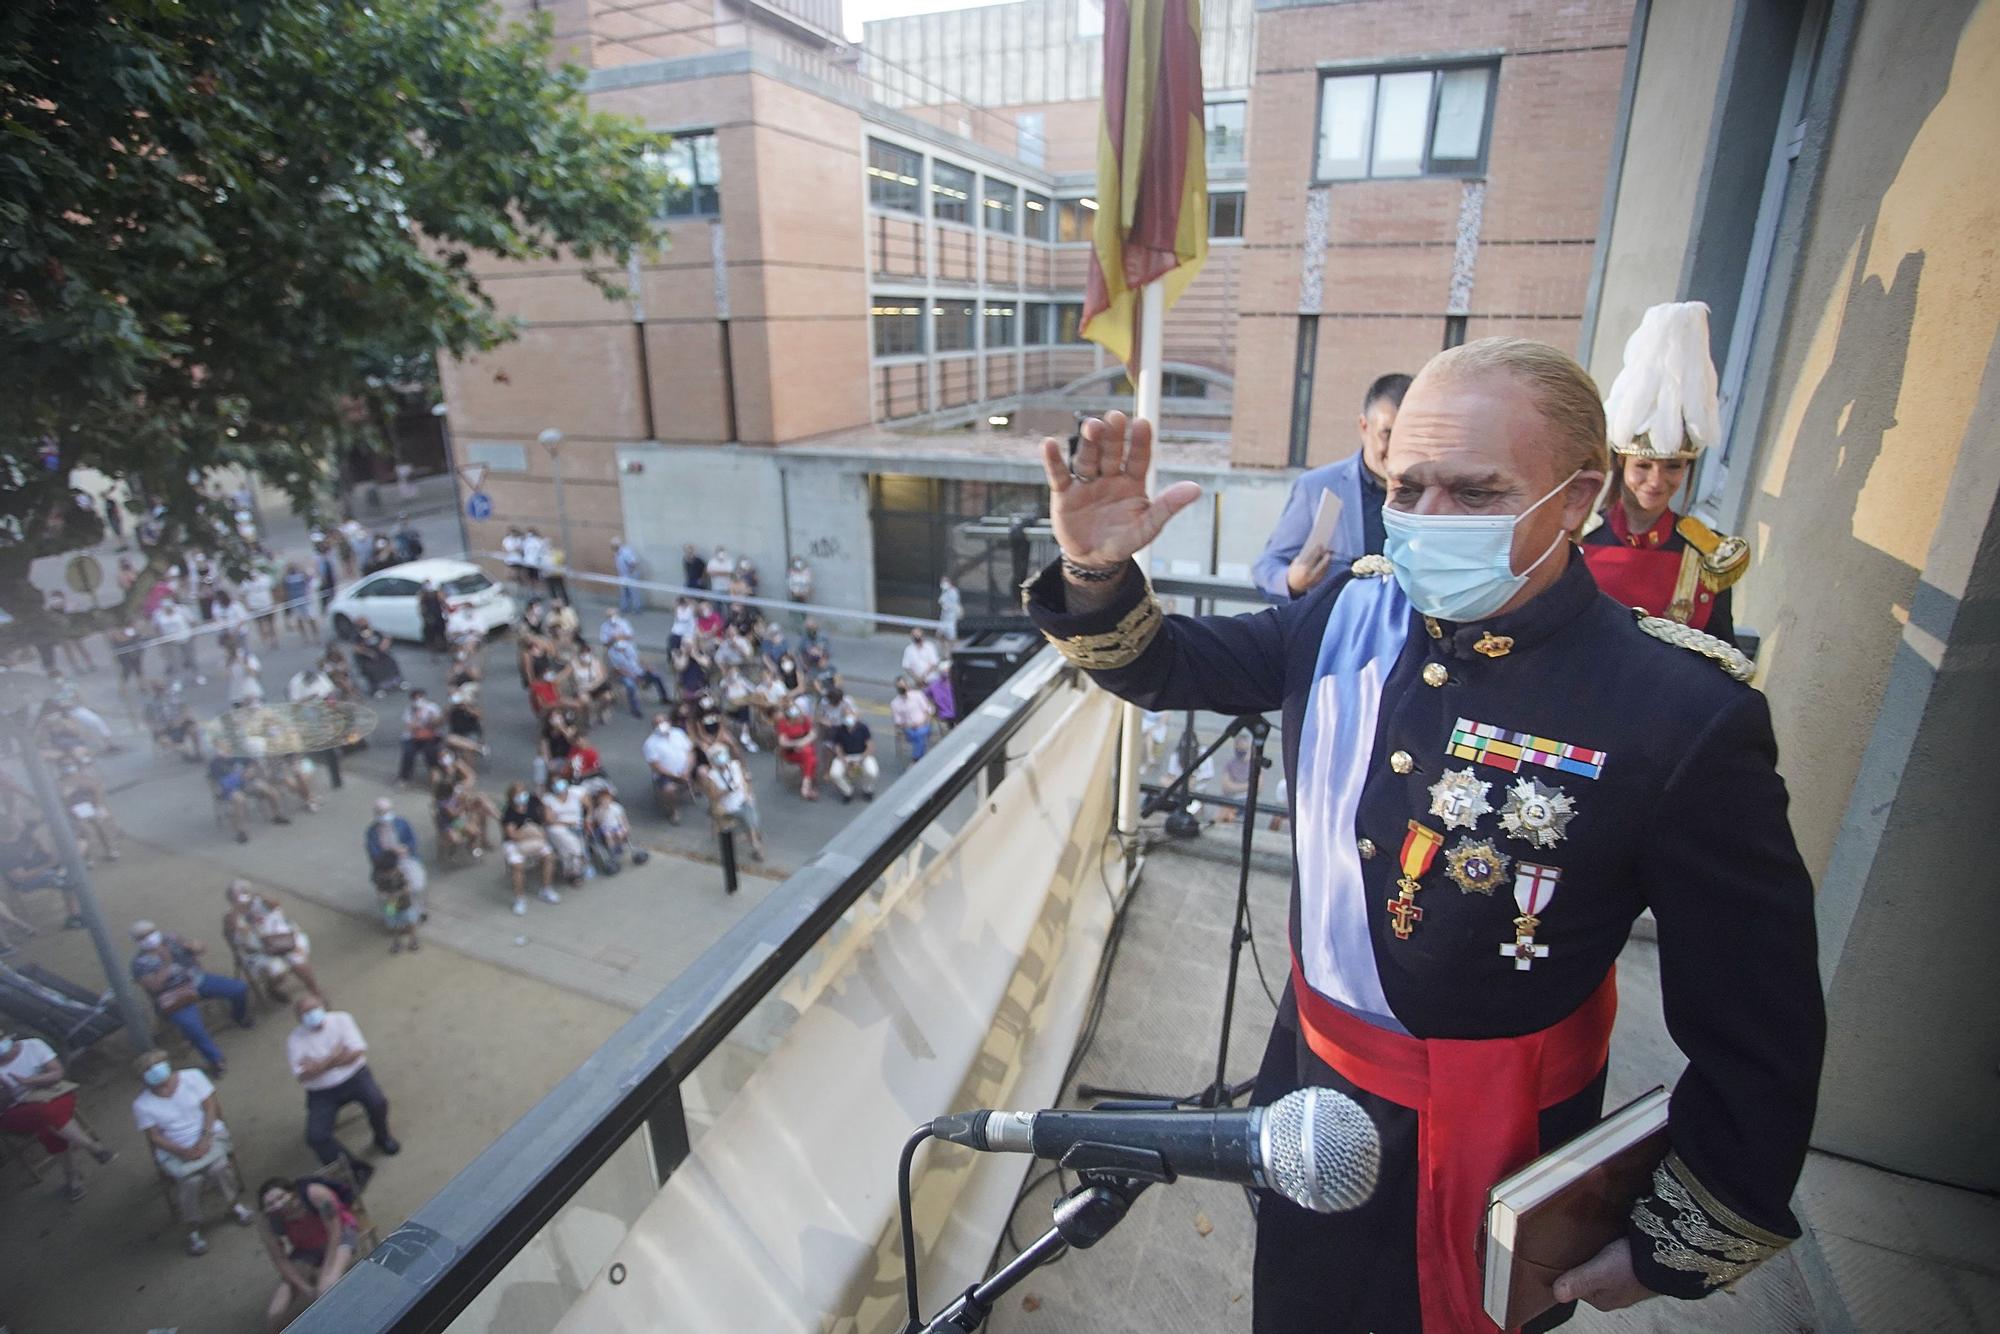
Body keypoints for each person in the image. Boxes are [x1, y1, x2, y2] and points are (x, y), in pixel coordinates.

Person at [1024, 351, 1823, 1331]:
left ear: (1575, 497)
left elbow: (1759, 1020)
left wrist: (1673, 1243)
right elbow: (1166, 664)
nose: (1427, 517)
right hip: (1310, 1086)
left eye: (1475, 491)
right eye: (1405, 488)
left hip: (1499, 1142)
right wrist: (1096, 567)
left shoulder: (1677, 713)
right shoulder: (1345, 610)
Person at [1580, 301, 1747, 641]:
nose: (1656, 482)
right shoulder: (1576, 537)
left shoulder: (1707, 553)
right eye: (1643, 466)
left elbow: (1720, 653)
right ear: (1621, 462)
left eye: (1673, 467)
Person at [1252, 371, 1412, 601]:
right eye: (1387, 434)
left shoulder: (1434, 495)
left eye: (1407, 436)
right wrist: (1293, 580)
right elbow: (1266, 567)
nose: (1398, 448)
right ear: (1364, 427)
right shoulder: (1317, 487)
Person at [131, 1050, 257, 1254]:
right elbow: (155, 1137)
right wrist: (183, 1151)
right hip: (177, 1149)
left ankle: (234, 1205)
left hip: (208, 1135)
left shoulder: (192, 1077)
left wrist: (206, 1138)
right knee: (191, 1181)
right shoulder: (142, 1105)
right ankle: (193, 1227)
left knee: (218, 1168)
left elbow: (210, 1107)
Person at [286, 994, 398, 1182]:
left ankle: (382, 1137)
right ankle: (353, 1170)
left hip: (355, 1077)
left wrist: (318, 1066)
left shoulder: (342, 1019)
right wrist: (334, 1057)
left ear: (323, 1007)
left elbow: (356, 1052)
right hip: (321, 1092)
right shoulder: (294, 1040)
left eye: (314, 1008)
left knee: (377, 1102)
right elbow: (303, 1075)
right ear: (299, 1018)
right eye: (306, 1012)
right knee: (316, 1137)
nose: (312, 1014)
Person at [1, 1029, 117, 1201]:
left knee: (47, 1122)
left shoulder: (32, 1045)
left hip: (51, 1093)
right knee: (44, 1115)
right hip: (18, 1109)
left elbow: (57, 1073)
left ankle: (72, 1178)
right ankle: (93, 1147)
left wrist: (29, 1081)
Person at [131, 919, 253, 1075]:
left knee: (239, 988)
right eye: (143, 936)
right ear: (137, 941)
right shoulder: (138, 964)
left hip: (197, 980)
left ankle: (239, 1016)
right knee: (191, 1027)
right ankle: (216, 1060)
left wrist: (194, 946)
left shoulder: (171, 939)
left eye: (150, 933)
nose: (149, 938)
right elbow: (154, 986)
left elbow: (202, 949)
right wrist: (166, 963)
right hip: (174, 995)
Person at [257, 1175, 360, 1332]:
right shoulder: (268, 1222)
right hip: (305, 1249)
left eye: (281, 1197)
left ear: (292, 1193)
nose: (278, 1204)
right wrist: (305, 1288)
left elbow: (335, 1232)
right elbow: (280, 1260)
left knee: (326, 1288)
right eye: (271, 1204)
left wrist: (326, 1271)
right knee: (275, 1313)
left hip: (339, 1236)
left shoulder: (316, 1194)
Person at [224, 881, 320, 1001]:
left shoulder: (261, 902)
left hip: (283, 941)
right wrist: (237, 911)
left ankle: (316, 993)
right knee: (278, 972)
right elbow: (231, 935)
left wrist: (257, 894)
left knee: (299, 963)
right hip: (259, 952)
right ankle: (272, 988)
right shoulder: (231, 916)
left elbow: (275, 904)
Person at [500, 782, 560, 912]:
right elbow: (512, 834)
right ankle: (519, 898)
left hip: (536, 839)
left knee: (549, 857)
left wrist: (547, 815)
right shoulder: (509, 812)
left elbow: (545, 808)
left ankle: (546, 889)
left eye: (523, 792)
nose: (522, 795)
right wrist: (529, 832)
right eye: (518, 793)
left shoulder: (533, 800)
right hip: (515, 843)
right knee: (518, 866)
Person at [701, 743, 765, 862]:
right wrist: (727, 790)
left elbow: (744, 783)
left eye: (722, 754)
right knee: (749, 818)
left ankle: (755, 841)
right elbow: (713, 796)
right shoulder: (712, 776)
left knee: (749, 812)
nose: (721, 758)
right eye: (717, 756)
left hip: (742, 801)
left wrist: (748, 794)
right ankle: (756, 845)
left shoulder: (735, 766)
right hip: (727, 807)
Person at [208, 752, 292, 844]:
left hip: (246, 783)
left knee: (270, 790)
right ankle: (241, 831)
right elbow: (222, 783)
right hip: (229, 788)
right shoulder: (216, 763)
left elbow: (252, 765)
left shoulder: (239, 755)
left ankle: (277, 815)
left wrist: (252, 770)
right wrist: (241, 777)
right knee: (239, 799)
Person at [286, 663, 345, 788]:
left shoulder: (321, 678)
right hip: (305, 712)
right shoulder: (296, 682)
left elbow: (331, 693)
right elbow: (295, 705)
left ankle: (336, 777)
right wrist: (309, 699)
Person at [364, 799, 427, 907]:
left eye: (386, 811)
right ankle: (392, 917)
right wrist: (389, 854)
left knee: (416, 886)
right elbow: (374, 853)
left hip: (406, 860)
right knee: (389, 895)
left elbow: (412, 841)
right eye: (380, 812)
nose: (384, 815)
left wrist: (406, 848)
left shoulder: (401, 823)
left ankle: (415, 911)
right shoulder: (372, 831)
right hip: (386, 866)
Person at [643, 713, 697, 824]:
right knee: (669, 789)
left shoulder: (679, 733)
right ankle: (674, 811)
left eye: (663, 721)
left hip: (686, 769)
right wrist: (675, 775)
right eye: (657, 723)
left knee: (704, 773)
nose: (661, 725)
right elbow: (656, 766)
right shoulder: (650, 744)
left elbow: (690, 752)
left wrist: (687, 770)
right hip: (666, 775)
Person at [607, 632, 669, 718]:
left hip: (638, 671)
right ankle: (635, 709)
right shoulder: (611, 653)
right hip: (625, 675)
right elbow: (617, 669)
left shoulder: (630, 647)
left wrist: (648, 667)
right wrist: (632, 676)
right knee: (630, 686)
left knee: (657, 675)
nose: (622, 650)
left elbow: (639, 659)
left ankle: (664, 698)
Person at [540, 777, 589, 882]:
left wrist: (588, 817)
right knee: (573, 847)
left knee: (566, 850)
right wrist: (567, 823)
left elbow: (588, 806)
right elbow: (549, 819)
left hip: (576, 825)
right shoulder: (548, 799)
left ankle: (571, 871)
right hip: (557, 827)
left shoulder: (576, 792)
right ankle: (574, 872)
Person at [826, 704, 879, 803]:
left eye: (851, 714)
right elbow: (837, 747)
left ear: (856, 716)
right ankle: (848, 791)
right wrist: (844, 761)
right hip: (846, 756)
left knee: (872, 772)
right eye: (846, 715)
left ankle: (867, 789)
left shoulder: (863, 728)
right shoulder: (839, 730)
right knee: (834, 774)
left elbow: (870, 746)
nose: (849, 717)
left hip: (862, 755)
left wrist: (860, 761)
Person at [371, 853, 421, 954]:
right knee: (394, 923)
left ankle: (413, 940)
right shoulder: (381, 877)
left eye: (390, 871)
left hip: (404, 903)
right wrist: (386, 897)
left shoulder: (401, 874)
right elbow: (379, 892)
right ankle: (397, 941)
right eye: (387, 872)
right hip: (391, 904)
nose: (388, 874)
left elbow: (407, 887)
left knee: (410, 921)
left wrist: (397, 894)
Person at [586, 787, 645, 871]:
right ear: (599, 801)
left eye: (606, 799)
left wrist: (626, 826)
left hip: (616, 826)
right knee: (608, 835)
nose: (605, 802)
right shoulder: (598, 810)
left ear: (611, 799)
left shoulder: (616, 807)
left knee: (620, 834)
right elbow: (598, 821)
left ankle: (618, 846)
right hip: (606, 827)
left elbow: (622, 818)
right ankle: (612, 850)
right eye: (602, 800)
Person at [153, 593, 202, 684]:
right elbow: (157, 628)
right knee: (176, 662)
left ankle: (196, 676)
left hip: (186, 638)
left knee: (191, 658)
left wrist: (194, 634)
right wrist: (161, 640)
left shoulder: (182, 610)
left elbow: (192, 621)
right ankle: (178, 680)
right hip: (171, 642)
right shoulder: (158, 614)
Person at [349, 616, 405, 696]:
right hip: (367, 658)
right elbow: (356, 648)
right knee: (371, 668)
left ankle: (398, 682)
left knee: (390, 662)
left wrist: (385, 643)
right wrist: (367, 652)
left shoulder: (375, 632)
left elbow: (386, 638)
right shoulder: (356, 636)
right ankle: (376, 689)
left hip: (381, 655)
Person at [398, 689, 445, 782]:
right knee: (408, 752)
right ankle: (404, 777)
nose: (418, 700)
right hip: (414, 737)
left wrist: (430, 717)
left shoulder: (432, 707)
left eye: (420, 697)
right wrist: (417, 715)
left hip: (430, 736)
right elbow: (409, 726)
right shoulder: (409, 710)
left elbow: (437, 724)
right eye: (415, 698)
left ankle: (435, 773)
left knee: (430, 751)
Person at [890, 675, 936, 760]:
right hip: (909, 729)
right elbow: (898, 722)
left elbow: (929, 711)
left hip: (924, 725)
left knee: (920, 734)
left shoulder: (918, 695)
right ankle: (918, 757)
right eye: (899, 686)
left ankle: (915, 759)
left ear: (907, 685)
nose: (902, 688)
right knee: (918, 736)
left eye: (903, 685)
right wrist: (910, 725)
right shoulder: (895, 703)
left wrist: (922, 722)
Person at [241, 563, 280, 647]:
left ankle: (274, 639)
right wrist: (247, 606)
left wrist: (275, 601)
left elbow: (273, 589)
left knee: (271, 623)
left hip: (268, 604)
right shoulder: (246, 582)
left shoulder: (265, 579)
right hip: (255, 607)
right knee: (260, 625)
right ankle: (265, 640)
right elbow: (242, 595)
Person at [613, 535, 644, 614]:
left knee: (634, 593)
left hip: (630, 576)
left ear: (617, 545)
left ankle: (637, 608)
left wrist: (630, 572)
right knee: (624, 593)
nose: (612, 548)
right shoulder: (617, 553)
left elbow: (633, 563)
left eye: (613, 546)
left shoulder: (626, 552)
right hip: (623, 576)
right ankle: (625, 608)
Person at [418, 580, 448, 656]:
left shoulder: (437, 594)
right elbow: (422, 608)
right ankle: (434, 648)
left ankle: (441, 646)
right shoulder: (423, 596)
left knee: (440, 632)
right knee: (432, 634)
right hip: (430, 617)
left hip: (438, 616)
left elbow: (443, 604)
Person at [937, 576, 963, 644]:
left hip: (951, 617)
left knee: (952, 637)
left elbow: (954, 604)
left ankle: (954, 651)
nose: (942, 584)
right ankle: (945, 652)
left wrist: (946, 606)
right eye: (942, 582)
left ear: (949, 582)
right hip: (944, 617)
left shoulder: (954, 592)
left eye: (944, 582)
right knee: (940, 635)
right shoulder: (944, 591)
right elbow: (941, 601)